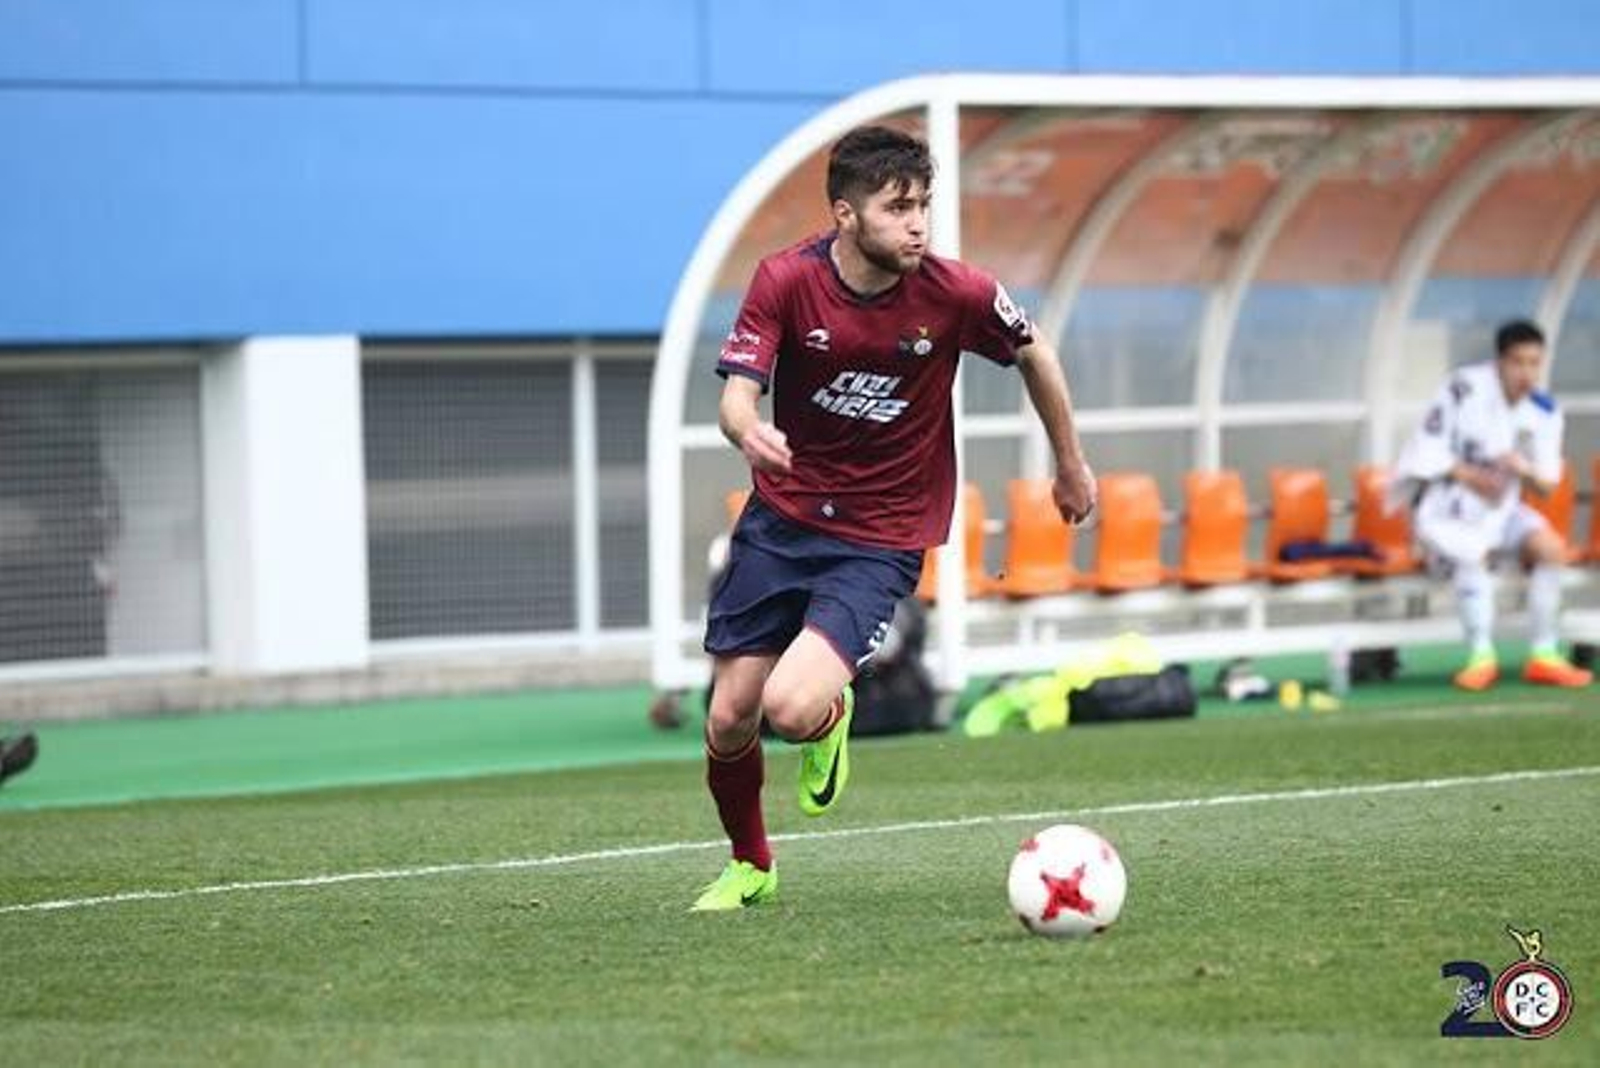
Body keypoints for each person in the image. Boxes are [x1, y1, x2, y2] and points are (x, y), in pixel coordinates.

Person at [691, 125, 1095, 911]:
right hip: (780, 522)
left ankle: (828, 717)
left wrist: (1070, 464)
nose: (918, 225)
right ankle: (751, 866)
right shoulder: (785, 280)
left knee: (790, 708)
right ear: (845, 215)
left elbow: (1034, 352)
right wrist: (748, 430)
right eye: (897, 208)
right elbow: (736, 397)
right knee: (730, 717)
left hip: (879, 535)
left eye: (923, 206)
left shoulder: (958, 292)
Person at [1392, 318, 1592, 692]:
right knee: (1473, 553)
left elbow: (1547, 485)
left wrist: (1523, 469)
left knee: (1551, 549)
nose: (1526, 373)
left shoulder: (1545, 411)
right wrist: (1468, 475)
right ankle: (1481, 656)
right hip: (1448, 511)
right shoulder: (1462, 388)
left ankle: (1544, 654)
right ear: (1499, 361)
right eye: (1518, 362)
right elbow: (1424, 447)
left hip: (1503, 512)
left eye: (1534, 363)